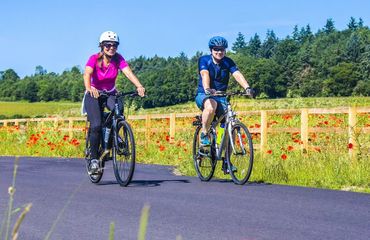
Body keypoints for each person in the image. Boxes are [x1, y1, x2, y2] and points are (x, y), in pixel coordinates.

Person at [83, 30, 145, 163]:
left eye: (114, 45)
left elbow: (128, 73)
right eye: (108, 45)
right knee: (96, 126)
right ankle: (94, 159)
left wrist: (139, 86)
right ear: (101, 46)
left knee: (119, 112)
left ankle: (113, 139)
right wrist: (89, 88)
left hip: (110, 92)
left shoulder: (118, 58)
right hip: (94, 93)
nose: (111, 48)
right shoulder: (94, 58)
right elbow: (87, 74)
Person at [195, 36, 253, 147]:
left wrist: (247, 88)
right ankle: (204, 134)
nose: (219, 52)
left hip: (221, 96)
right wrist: (207, 89)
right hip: (204, 94)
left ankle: (227, 161)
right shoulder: (204, 60)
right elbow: (204, 74)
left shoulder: (228, 62)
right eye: (216, 49)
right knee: (211, 107)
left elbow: (236, 74)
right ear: (211, 50)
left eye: (222, 49)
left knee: (229, 125)